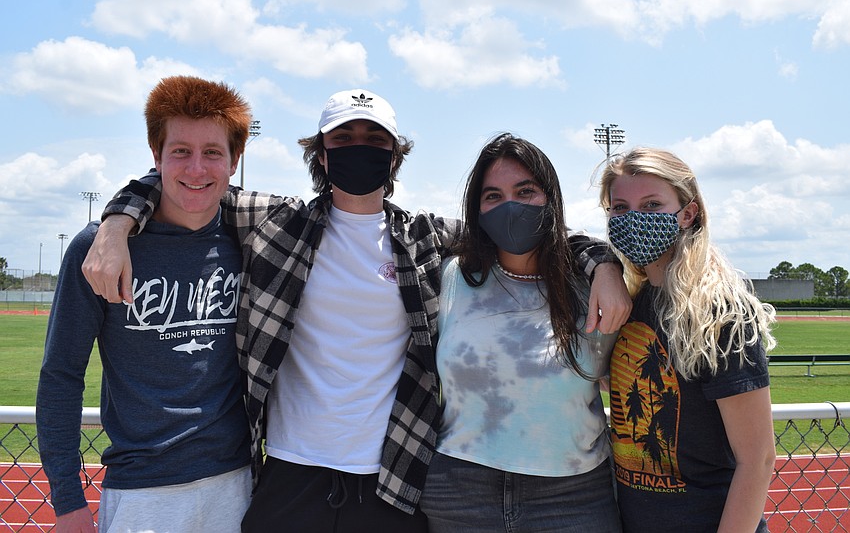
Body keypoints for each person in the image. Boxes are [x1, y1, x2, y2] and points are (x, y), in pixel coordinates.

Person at [81, 89, 632, 532]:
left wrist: (602, 261)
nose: (359, 148)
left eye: (374, 139)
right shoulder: (276, 223)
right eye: (343, 138)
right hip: (290, 471)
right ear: (320, 155)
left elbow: (539, 236)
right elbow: (187, 181)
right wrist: (115, 223)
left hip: (391, 476)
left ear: (395, 156)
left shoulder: (428, 238)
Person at [36, 76, 253, 533]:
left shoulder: (252, 239)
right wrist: (67, 501)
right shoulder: (97, 249)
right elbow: (61, 375)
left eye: (212, 152)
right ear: (156, 156)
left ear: (235, 161)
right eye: (180, 151)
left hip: (240, 487)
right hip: (142, 496)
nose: (197, 168)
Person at [418, 133, 622, 532]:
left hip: (574, 495)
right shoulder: (449, 279)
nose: (509, 205)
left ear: (550, 197)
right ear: (476, 208)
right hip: (460, 491)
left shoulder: (592, 286)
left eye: (525, 191)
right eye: (492, 196)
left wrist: (605, 264)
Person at [598, 148, 777, 532]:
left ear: (688, 213)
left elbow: (758, 460)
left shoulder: (720, 311)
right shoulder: (632, 303)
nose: (634, 219)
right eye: (620, 208)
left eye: (652, 204)